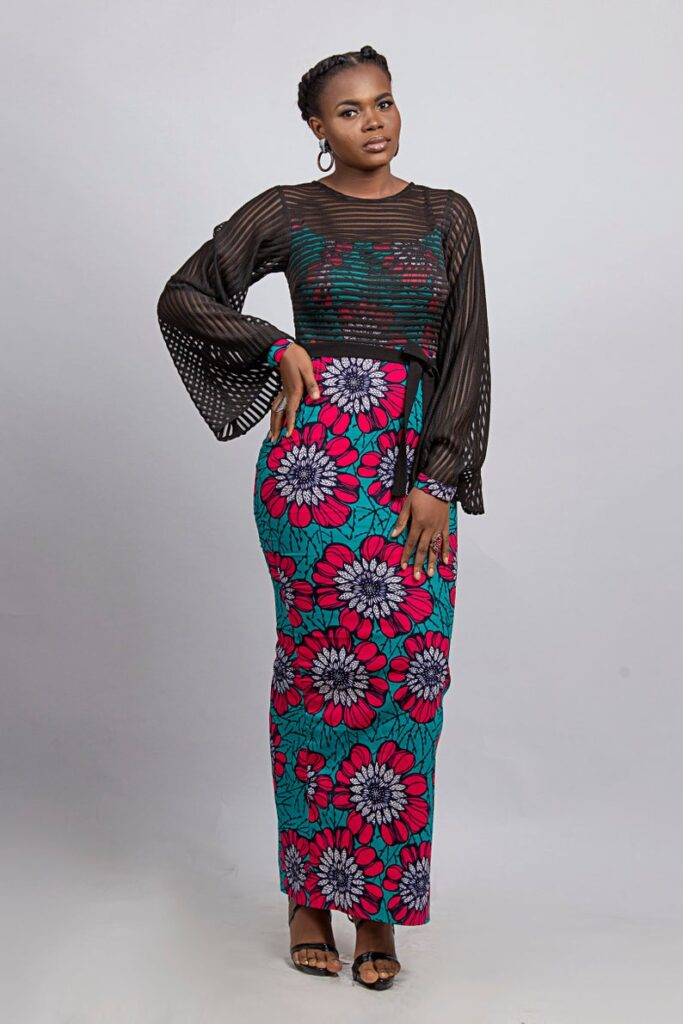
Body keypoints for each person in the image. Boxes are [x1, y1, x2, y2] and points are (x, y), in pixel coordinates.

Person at [156, 43, 491, 990]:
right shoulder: (288, 211)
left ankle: (377, 906)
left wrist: (439, 475)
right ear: (316, 127)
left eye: (383, 103)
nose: (372, 121)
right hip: (312, 470)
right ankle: (309, 896)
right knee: (317, 675)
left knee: (408, 679)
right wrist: (273, 345)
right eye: (349, 111)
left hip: (409, 464)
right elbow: (183, 294)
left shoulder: (447, 216)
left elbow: (466, 350)